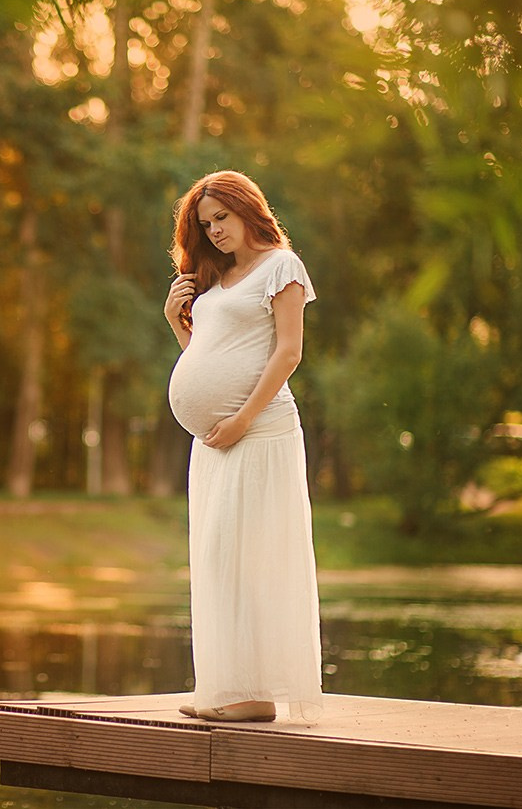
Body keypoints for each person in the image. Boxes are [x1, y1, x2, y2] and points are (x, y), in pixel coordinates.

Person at [163, 170, 322, 723]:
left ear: (247, 209)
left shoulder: (282, 267)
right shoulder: (217, 278)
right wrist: (177, 324)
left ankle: (255, 695)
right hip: (215, 443)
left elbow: (288, 353)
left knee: (248, 555)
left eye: (221, 218)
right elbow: (208, 353)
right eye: (205, 225)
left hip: (260, 432)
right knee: (215, 557)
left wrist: (241, 420)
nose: (214, 232)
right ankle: (232, 689)